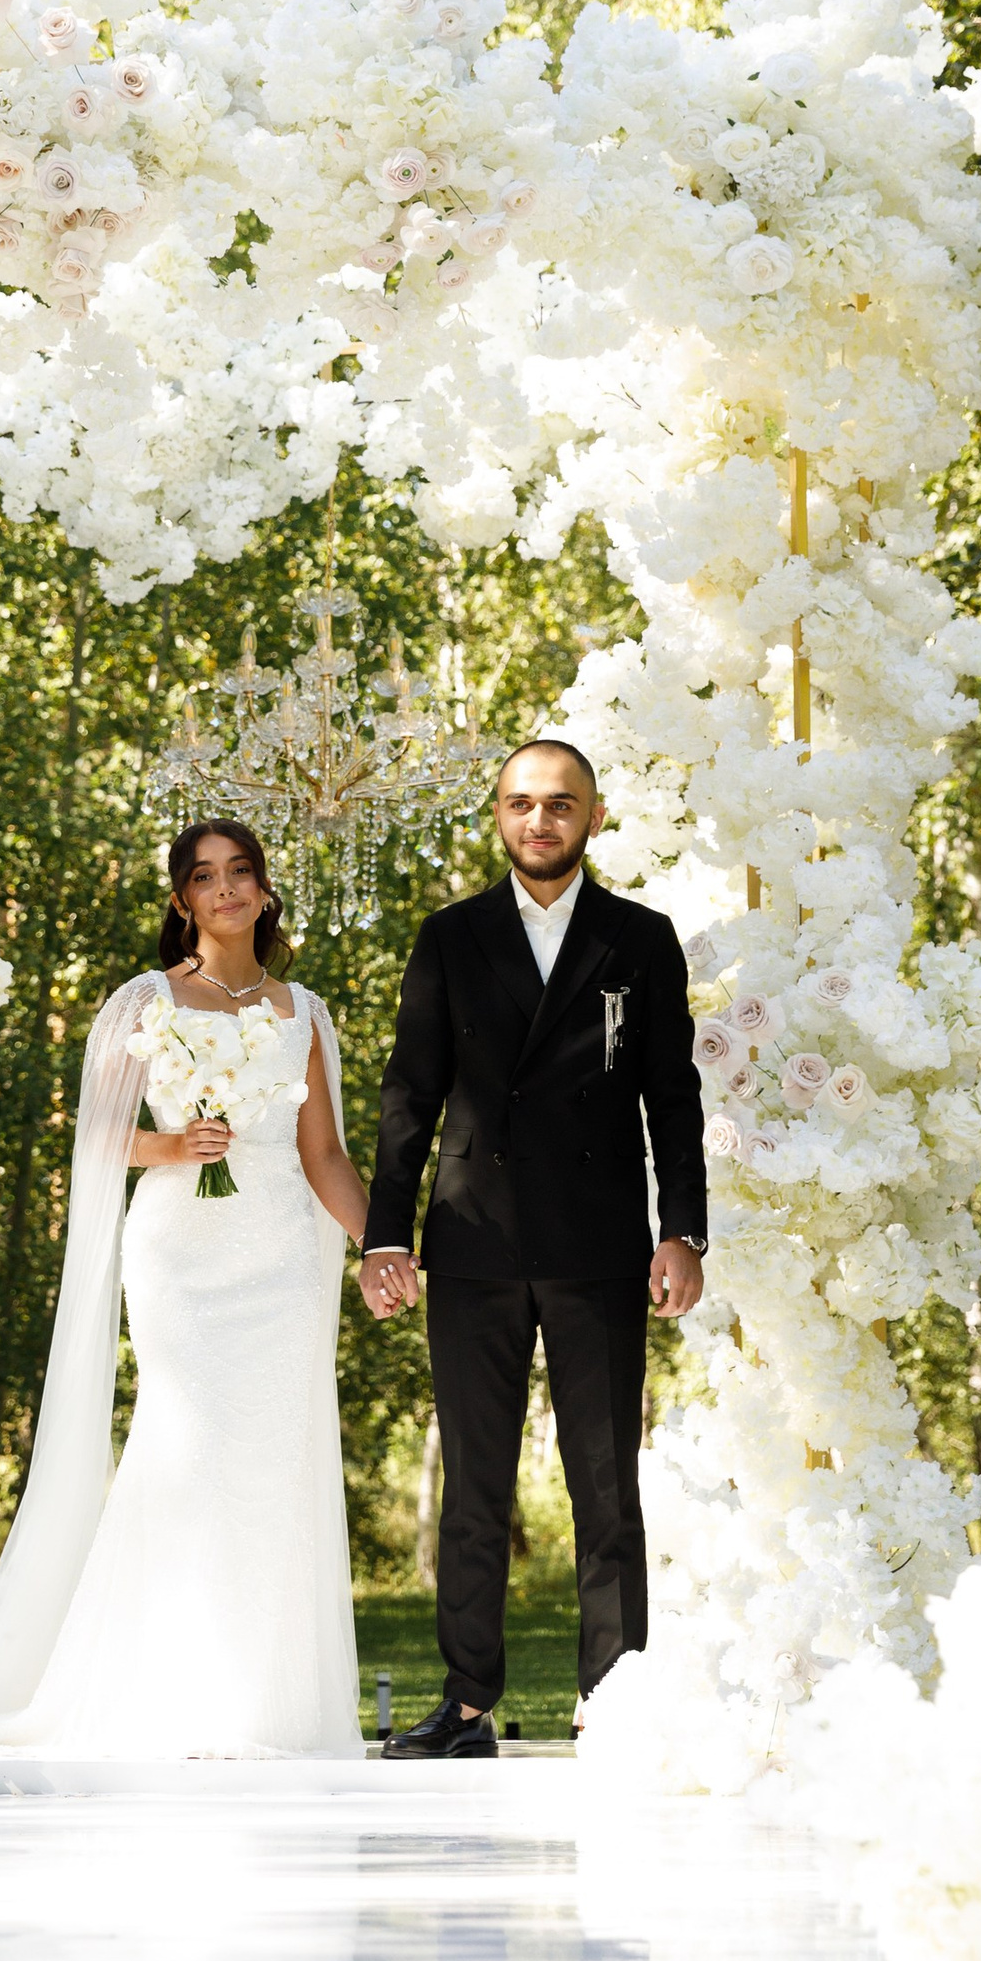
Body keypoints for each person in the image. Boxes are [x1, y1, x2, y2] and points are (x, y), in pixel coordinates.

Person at [0, 819, 369, 1761]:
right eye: (204, 878)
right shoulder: (145, 1001)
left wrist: (384, 1244)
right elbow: (98, 1140)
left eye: (241, 872)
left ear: (263, 889)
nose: (225, 890)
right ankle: (175, 1691)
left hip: (286, 1256)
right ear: (181, 901)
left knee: (273, 1460)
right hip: (181, 1253)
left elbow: (324, 1153)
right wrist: (173, 1146)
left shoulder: (305, 1011)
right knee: (191, 1443)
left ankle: (264, 1708)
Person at [360, 740, 705, 1758]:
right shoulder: (451, 937)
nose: (538, 821)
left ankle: (615, 1706)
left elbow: (672, 1097)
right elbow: (407, 1096)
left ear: (592, 817)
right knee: (475, 1488)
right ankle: (467, 1706)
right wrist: (386, 1233)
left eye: (558, 805)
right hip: (471, 1239)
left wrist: (680, 1230)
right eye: (519, 804)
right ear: (497, 818)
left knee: (605, 1486)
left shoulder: (639, 939)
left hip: (598, 1241)